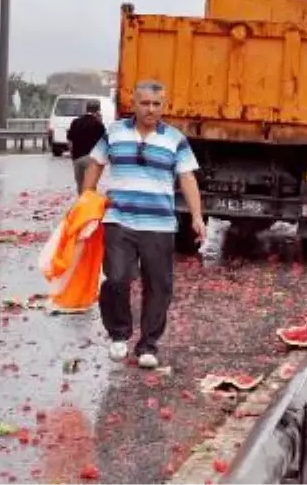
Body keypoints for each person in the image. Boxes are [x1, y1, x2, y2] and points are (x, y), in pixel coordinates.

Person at [80, 80, 206, 369]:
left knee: (159, 286)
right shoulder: (113, 133)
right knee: (116, 278)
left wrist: (197, 217)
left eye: (156, 104)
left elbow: (187, 178)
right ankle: (119, 333)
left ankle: (148, 344)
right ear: (133, 104)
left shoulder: (175, 139)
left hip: (159, 225)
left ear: (164, 106)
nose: (150, 109)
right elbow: (95, 165)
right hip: (119, 220)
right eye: (145, 103)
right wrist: (85, 204)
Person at [67, 99, 107, 193]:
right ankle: (89, 207)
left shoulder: (75, 122)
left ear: (86, 109)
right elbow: (104, 143)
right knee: (90, 188)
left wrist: (73, 156)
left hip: (77, 159)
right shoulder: (98, 124)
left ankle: (81, 206)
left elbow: (70, 141)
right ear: (98, 110)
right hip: (91, 159)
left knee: (80, 187)